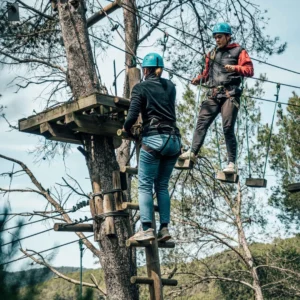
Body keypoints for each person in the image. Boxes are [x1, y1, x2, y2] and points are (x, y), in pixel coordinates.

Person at [179, 22, 254, 174]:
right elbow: (207, 75)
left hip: (230, 94)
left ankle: (231, 163)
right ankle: (193, 152)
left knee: (227, 128)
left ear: (228, 37)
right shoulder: (211, 54)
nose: (217, 40)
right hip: (214, 94)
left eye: (219, 37)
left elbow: (249, 70)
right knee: (202, 121)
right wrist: (199, 79)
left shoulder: (238, 51)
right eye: (215, 37)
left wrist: (235, 68)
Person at [123, 53, 181, 242]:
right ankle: (164, 229)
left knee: (145, 185)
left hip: (154, 139)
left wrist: (126, 128)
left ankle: (147, 228)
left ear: (145, 70)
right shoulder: (171, 86)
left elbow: (132, 116)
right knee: (162, 186)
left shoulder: (140, 87)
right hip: (173, 140)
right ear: (161, 69)